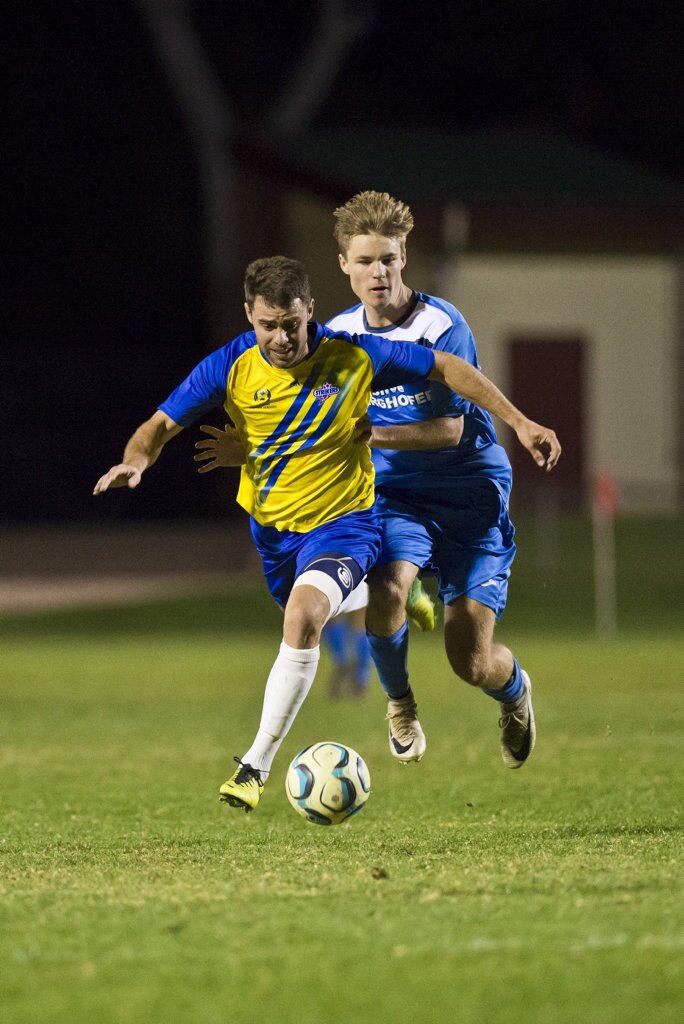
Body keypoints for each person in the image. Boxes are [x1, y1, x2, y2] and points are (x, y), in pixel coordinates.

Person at [95, 256, 559, 813]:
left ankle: (253, 766)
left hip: (346, 524)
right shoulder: (232, 364)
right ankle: (387, 591)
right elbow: (161, 424)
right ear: (249, 316)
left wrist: (520, 421)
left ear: (309, 310)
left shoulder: (352, 355)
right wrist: (136, 461)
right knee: (311, 609)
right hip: (275, 533)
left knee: (305, 616)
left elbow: (445, 368)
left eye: (291, 323)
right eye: (268, 325)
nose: (282, 337)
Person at [327, 191, 544, 770]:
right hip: (397, 497)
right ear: (344, 265)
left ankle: (514, 691)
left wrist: (367, 435)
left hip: (470, 494)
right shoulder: (336, 337)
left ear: (405, 259)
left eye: (389, 260)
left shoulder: (441, 324)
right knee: (388, 587)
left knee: (469, 661)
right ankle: (400, 704)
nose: (379, 273)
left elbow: (449, 429)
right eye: (366, 260)